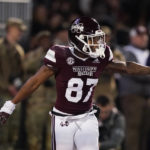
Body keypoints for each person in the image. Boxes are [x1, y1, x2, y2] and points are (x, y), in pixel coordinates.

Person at [0, 17, 150, 150]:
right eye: (92, 39)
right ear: (79, 39)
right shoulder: (61, 55)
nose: (98, 43)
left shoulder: (101, 56)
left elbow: (126, 67)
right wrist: (11, 104)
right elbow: (35, 82)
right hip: (63, 118)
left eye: (98, 39)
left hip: (87, 117)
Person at [118, 25, 150, 150]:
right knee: (132, 128)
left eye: (145, 35)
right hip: (132, 96)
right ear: (132, 37)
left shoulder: (147, 52)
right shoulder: (124, 51)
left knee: (145, 130)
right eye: (139, 36)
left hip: (146, 96)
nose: (143, 38)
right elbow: (135, 73)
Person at [0, 17, 26, 150]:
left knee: (14, 129)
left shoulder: (19, 50)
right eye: (18, 30)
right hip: (2, 93)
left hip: (15, 95)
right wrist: (7, 86)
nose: (20, 33)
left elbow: (21, 73)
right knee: (2, 128)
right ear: (10, 29)